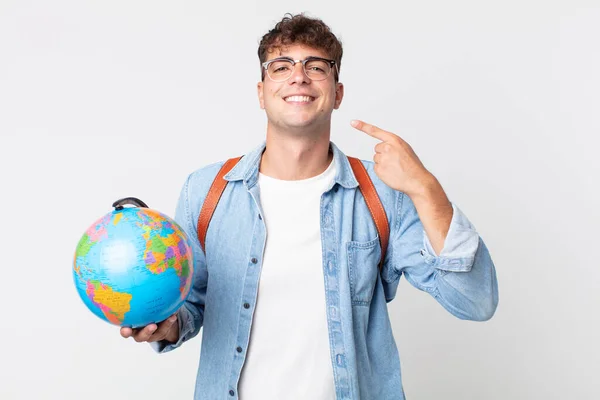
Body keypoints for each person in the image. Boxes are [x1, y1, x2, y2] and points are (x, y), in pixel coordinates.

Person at [120, 13, 498, 400]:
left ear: (338, 93)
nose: (298, 77)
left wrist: (424, 186)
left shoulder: (384, 195)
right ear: (261, 92)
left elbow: (475, 300)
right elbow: (191, 304)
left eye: (316, 66)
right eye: (281, 66)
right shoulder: (206, 191)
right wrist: (166, 325)